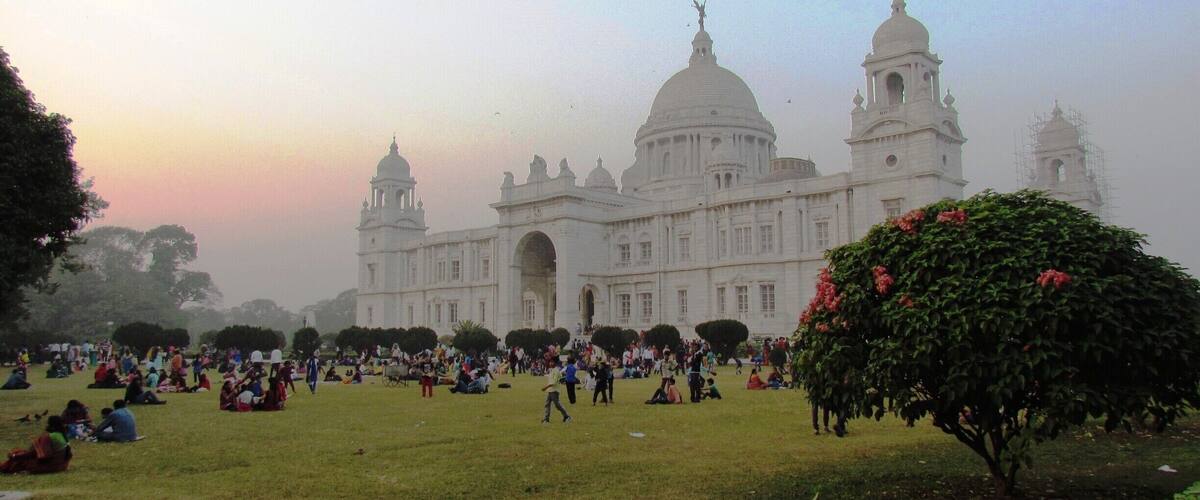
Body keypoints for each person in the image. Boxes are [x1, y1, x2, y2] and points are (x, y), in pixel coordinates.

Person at [0, 416, 72, 474]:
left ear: (51, 425)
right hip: (62, 466)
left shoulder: (49, 437)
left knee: (17, 456)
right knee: (20, 454)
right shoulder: (62, 435)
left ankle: (2, 468)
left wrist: (15, 456)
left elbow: (44, 456)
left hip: (50, 467)